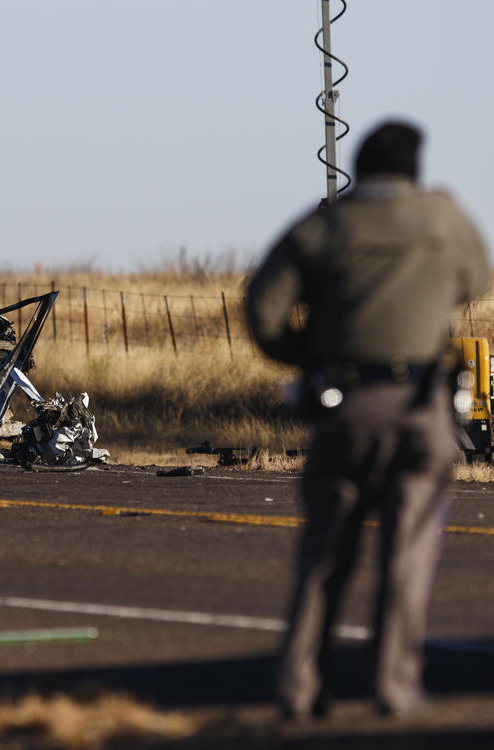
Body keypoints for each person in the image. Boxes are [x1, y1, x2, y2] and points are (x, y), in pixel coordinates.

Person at [246, 120, 490, 717]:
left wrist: (311, 357)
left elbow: (263, 310)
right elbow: (477, 282)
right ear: (414, 168)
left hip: (346, 406)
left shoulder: (324, 224)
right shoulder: (443, 219)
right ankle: (394, 687)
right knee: (408, 555)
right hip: (422, 408)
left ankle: (300, 689)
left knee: (326, 552)